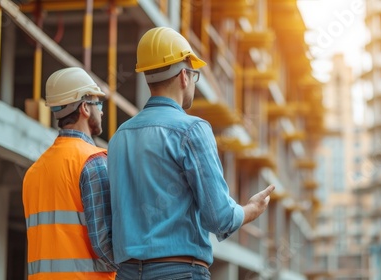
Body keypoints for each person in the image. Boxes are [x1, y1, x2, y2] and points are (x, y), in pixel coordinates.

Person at [108, 26, 275, 279]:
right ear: (184, 76)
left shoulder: (120, 136)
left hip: (126, 273)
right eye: (194, 76)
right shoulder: (192, 130)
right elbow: (219, 218)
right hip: (180, 272)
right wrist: (251, 209)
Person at [22, 67, 118, 279]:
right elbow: (106, 248)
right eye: (98, 103)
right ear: (84, 107)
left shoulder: (33, 172)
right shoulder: (93, 162)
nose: (101, 111)